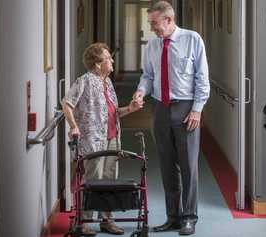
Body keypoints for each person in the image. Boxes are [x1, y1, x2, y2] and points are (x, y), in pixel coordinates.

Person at [133, 1, 210, 236]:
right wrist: (140, 91)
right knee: (167, 166)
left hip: (186, 108)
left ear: (168, 19)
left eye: (154, 23)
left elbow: (202, 78)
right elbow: (148, 75)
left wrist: (197, 109)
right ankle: (173, 217)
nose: (152, 28)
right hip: (160, 109)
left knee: (188, 166)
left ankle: (189, 217)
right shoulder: (153, 45)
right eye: (150, 24)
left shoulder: (192, 39)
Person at [62, 43, 143, 236]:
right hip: (93, 140)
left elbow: (112, 114)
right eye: (108, 58)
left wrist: (130, 108)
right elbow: (67, 103)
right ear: (98, 64)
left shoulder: (108, 83)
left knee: (110, 180)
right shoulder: (85, 81)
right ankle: (84, 222)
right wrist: (74, 126)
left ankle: (107, 220)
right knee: (93, 180)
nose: (112, 60)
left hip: (112, 137)